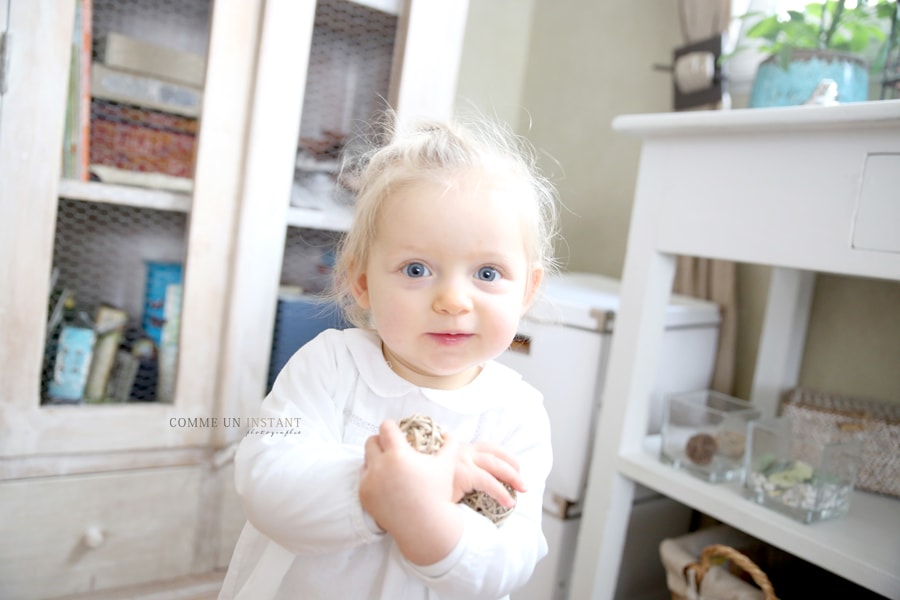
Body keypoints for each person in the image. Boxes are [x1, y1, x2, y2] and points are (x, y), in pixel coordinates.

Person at [218, 114, 560, 600]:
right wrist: (376, 493)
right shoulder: (331, 366)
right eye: (416, 269)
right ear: (361, 282)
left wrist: (421, 511)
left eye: (487, 274)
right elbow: (265, 481)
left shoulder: (518, 415)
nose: (453, 301)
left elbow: (509, 562)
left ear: (527, 289)